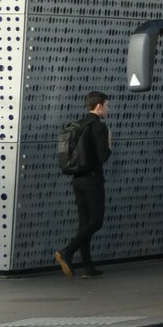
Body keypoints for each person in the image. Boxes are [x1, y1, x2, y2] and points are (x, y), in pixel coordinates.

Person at [54, 91, 112, 279]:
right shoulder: (99, 127)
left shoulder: (79, 125)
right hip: (93, 180)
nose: (108, 110)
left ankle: (88, 267)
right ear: (99, 106)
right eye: (107, 106)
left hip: (77, 179)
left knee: (84, 223)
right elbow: (103, 156)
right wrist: (109, 144)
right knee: (96, 221)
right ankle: (67, 251)